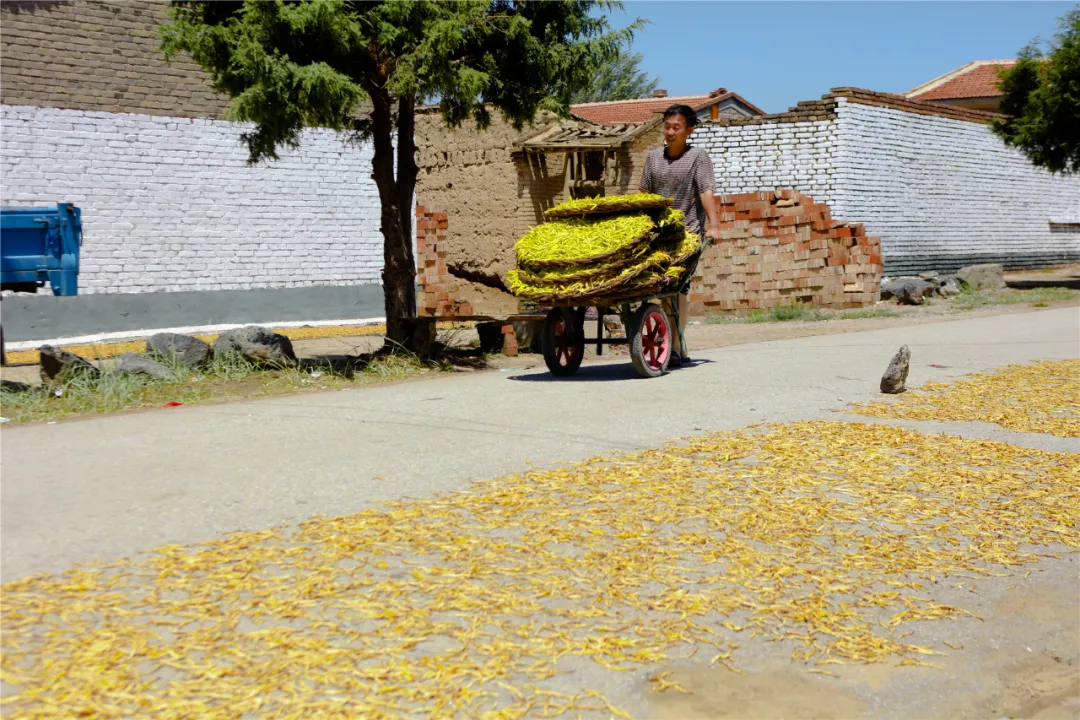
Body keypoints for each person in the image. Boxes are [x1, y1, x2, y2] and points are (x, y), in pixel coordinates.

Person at [638, 104, 721, 365]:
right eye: (667, 127)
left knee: (677, 288)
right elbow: (644, 195)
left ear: (689, 131)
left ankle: (675, 346)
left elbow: (705, 192)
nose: (670, 132)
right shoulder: (653, 158)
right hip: (658, 235)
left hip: (687, 233)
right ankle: (670, 342)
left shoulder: (698, 158)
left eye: (676, 127)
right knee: (660, 288)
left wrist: (713, 224)